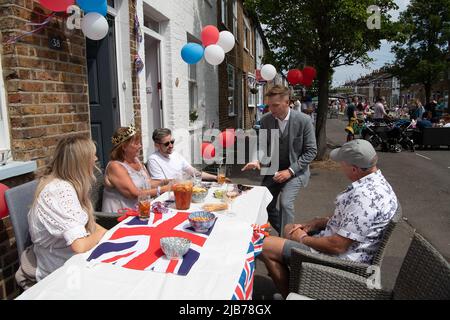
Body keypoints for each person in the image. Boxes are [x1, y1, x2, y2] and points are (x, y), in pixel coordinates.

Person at [261, 139, 398, 298]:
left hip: (342, 262)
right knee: (288, 229)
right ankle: (300, 284)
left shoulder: (364, 198)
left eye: (342, 163)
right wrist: (316, 222)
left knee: (264, 246)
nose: (340, 166)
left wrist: (303, 239)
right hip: (348, 249)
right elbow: (351, 220)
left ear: (354, 169)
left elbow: (338, 246)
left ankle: (289, 295)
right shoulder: (376, 183)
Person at [18, 136, 108, 287]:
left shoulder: (68, 185)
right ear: (81, 162)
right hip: (58, 270)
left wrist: (107, 233)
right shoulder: (59, 191)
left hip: (70, 260)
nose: (96, 158)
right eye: (92, 155)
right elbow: (79, 246)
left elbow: (87, 224)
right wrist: (103, 234)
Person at [242, 85, 317, 235]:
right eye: (269, 105)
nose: (272, 109)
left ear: (287, 102)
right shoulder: (266, 121)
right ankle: (289, 233)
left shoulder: (304, 120)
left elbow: (311, 151)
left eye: (275, 105)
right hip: (273, 169)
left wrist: (290, 171)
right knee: (265, 203)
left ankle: (287, 245)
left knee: (285, 203)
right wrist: (256, 160)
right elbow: (261, 145)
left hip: (295, 171)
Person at [102, 125, 170, 213]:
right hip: (120, 217)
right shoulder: (115, 166)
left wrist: (167, 181)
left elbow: (148, 183)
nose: (140, 146)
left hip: (141, 211)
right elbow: (133, 194)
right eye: (136, 143)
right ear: (124, 147)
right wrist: (163, 189)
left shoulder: (135, 160)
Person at [147, 128, 219, 182]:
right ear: (157, 145)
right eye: (166, 144)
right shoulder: (153, 159)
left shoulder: (175, 154)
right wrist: (184, 181)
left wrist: (215, 178)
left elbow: (194, 172)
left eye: (172, 142)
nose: (171, 145)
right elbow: (160, 183)